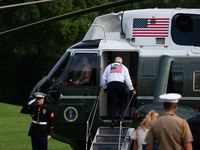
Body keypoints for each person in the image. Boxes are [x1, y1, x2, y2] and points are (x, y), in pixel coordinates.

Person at [101, 56, 136, 127]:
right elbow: (128, 80)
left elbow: (103, 78)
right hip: (120, 85)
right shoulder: (124, 67)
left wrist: (105, 88)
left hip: (111, 85)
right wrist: (132, 89)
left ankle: (112, 121)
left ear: (114, 61)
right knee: (122, 99)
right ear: (121, 62)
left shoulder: (109, 67)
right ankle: (120, 113)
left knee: (112, 103)